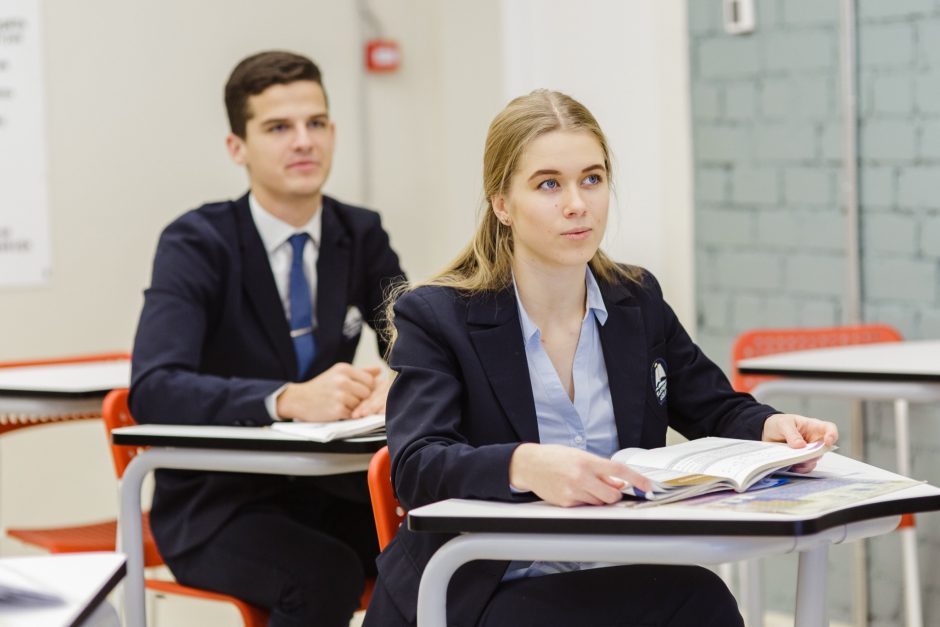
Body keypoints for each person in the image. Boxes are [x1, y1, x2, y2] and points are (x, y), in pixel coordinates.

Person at [365, 90, 838, 627]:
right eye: (549, 184)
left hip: (618, 570)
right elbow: (417, 464)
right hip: (480, 588)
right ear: (502, 205)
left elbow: (714, 405)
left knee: (701, 598)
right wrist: (525, 465)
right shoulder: (438, 315)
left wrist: (773, 427)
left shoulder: (635, 298)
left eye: (592, 179)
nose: (577, 204)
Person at [130, 50, 405, 627]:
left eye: (316, 123)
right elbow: (154, 388)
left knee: (431, 548)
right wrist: (283, 398)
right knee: (321, 573)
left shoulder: (359, 232)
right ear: (238, 147)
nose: (303, 141)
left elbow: (413, 342)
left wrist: (402, 383)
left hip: (325, 490)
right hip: (219, 505)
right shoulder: (196, 243)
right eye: (278, 127)